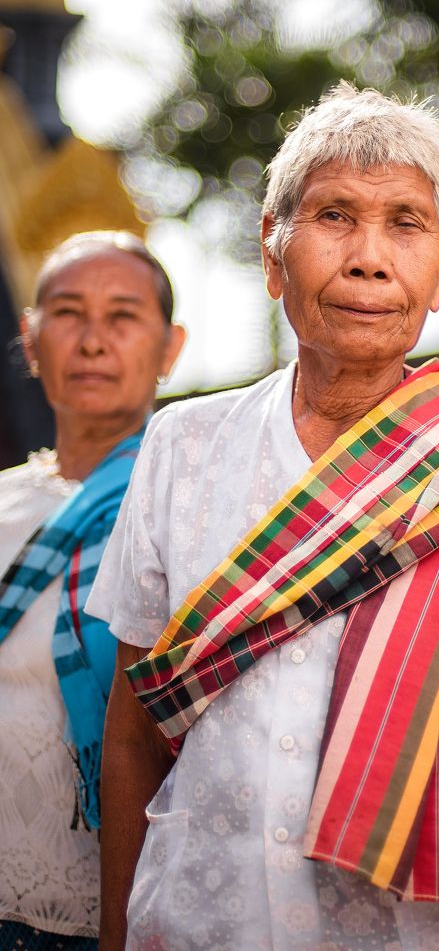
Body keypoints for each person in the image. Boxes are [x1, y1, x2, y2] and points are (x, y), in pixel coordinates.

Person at [90, 85, 439, 951]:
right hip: (207, 919)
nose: (371, 258)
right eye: (335, 216)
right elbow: (133, 732)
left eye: (406, 224)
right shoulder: (184, 447)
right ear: (273, 253)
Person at [0, 232, 184, 950]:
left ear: (170, 348)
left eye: (124, 316)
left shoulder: (190, 508)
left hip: (120, 912)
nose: (94, 341)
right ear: (32, 338)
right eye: (69, 313)